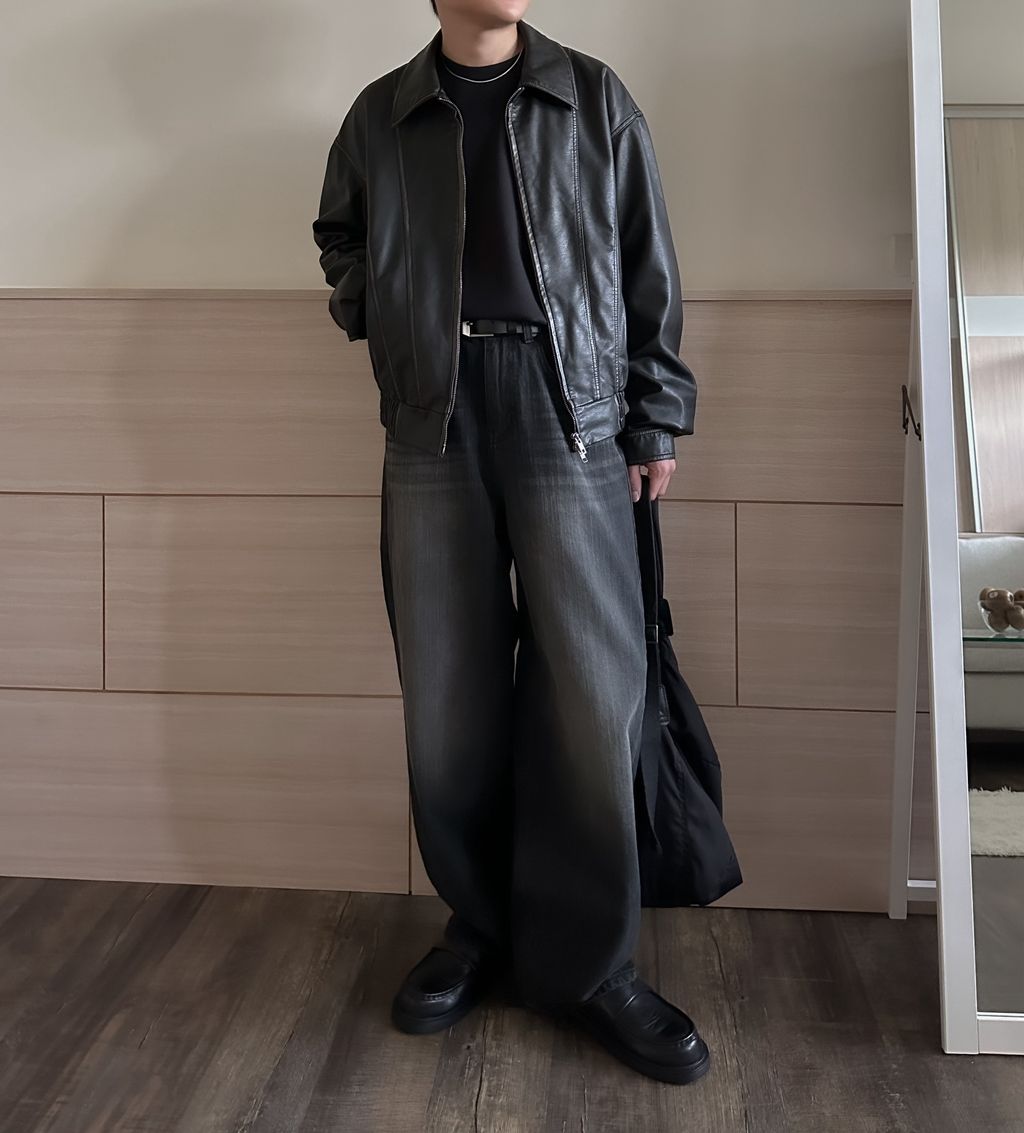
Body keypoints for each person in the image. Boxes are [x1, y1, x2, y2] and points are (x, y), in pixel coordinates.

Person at [312, 1, 707, 1085]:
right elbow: (339, 236)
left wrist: (655, 414)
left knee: (593, 695)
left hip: (567, 409)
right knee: (449, 695)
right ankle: (478, 926)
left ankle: (594, 963)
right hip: (429, 415)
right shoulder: (381, 115)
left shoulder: (592, 96)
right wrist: (387, 314)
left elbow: (645, 256)